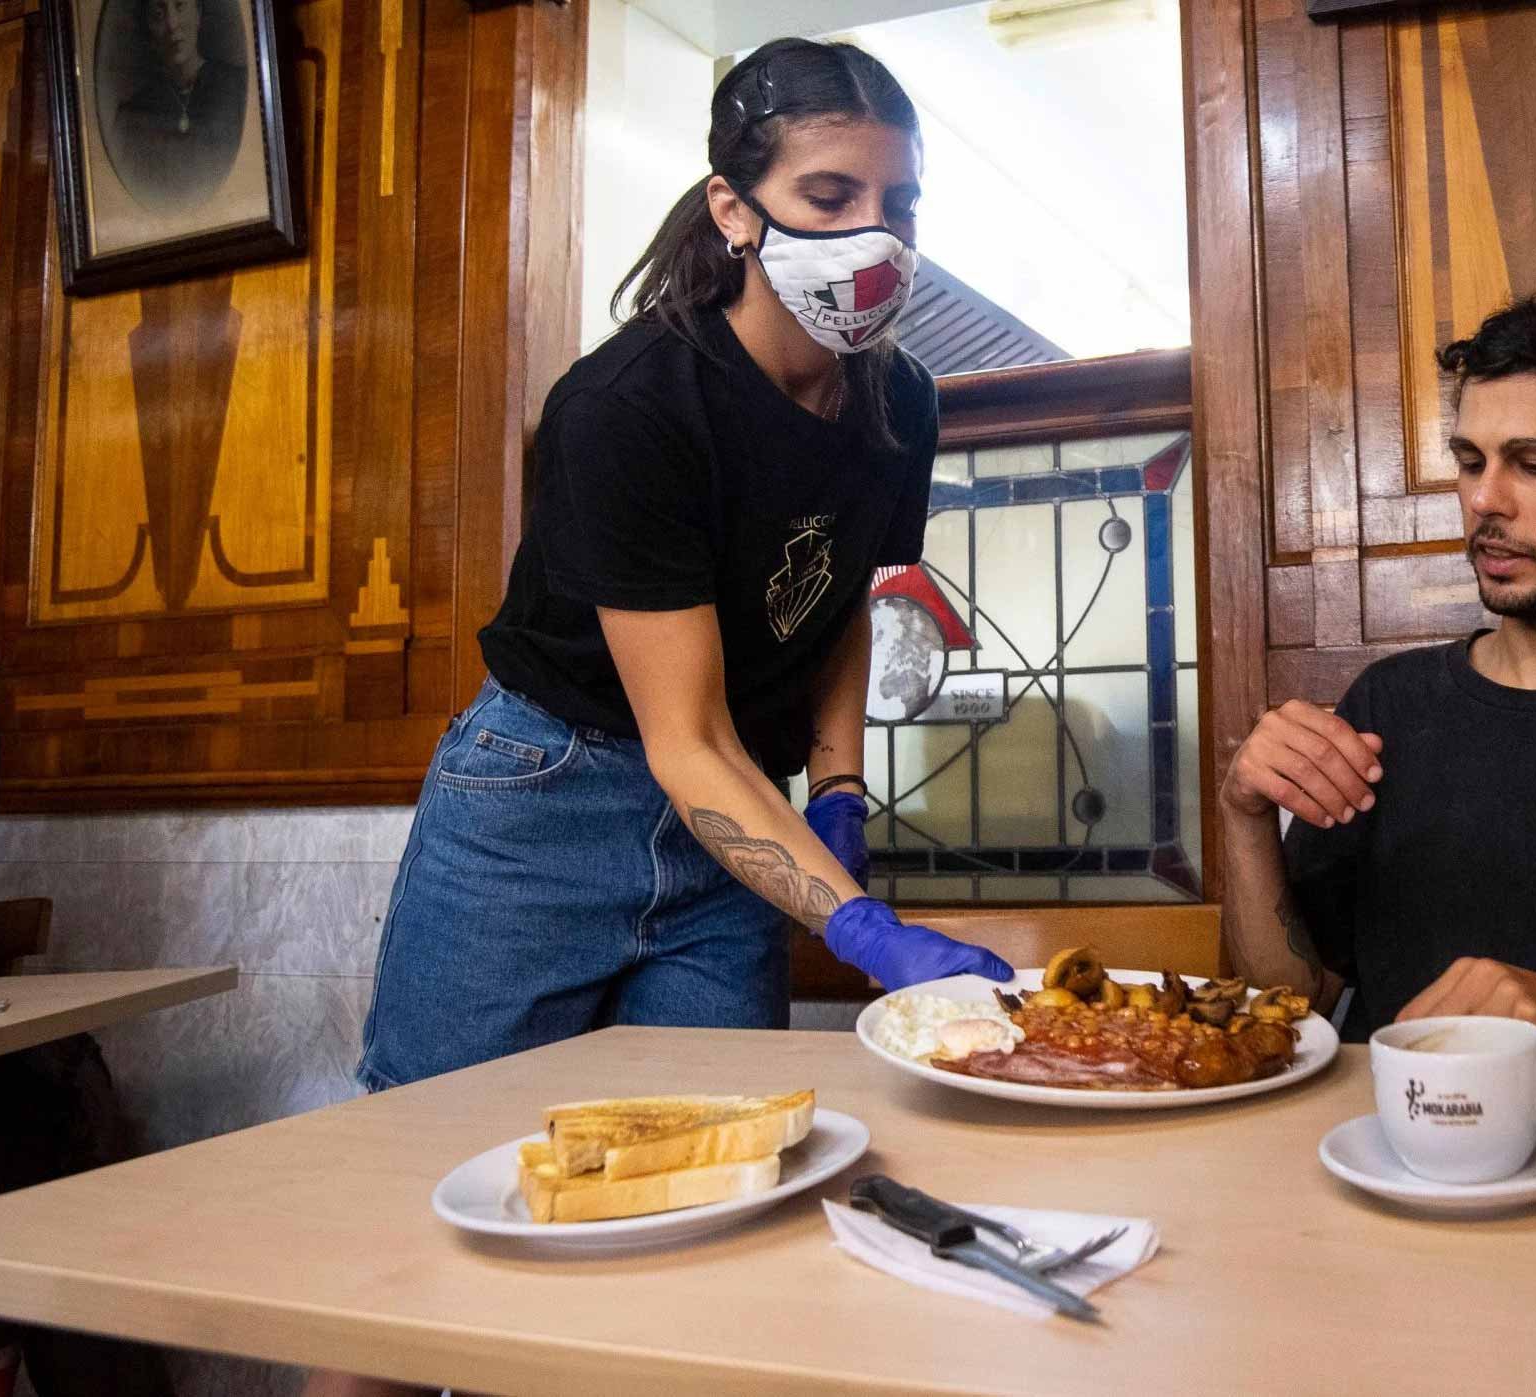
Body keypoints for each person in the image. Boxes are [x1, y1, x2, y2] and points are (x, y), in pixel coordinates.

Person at [350, 39, 1010, 1101]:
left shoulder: (900, 400)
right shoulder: (629, 407)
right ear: (734, 209)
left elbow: (840, 599)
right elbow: (684, 738)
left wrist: (838, 787)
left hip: (734, 812)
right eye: (829, 196)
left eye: (900, 203)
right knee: (434, 1128)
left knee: (714, 1140)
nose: (875, 235)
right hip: (551, 798)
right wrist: (859, 927)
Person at [1217, 293, 1536, 1073]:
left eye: (1534, 464)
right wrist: (1244, 814)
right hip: (1386, 1135)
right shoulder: (1388, 707)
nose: (1484, 500)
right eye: (1470, 462)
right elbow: (1290, 1005)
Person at [107, 0, 246, 207]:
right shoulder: (132, 117)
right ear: (148, 29)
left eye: (180, 6)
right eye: (158, 15)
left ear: (198, 13)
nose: (172, 24)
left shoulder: (237, 89)